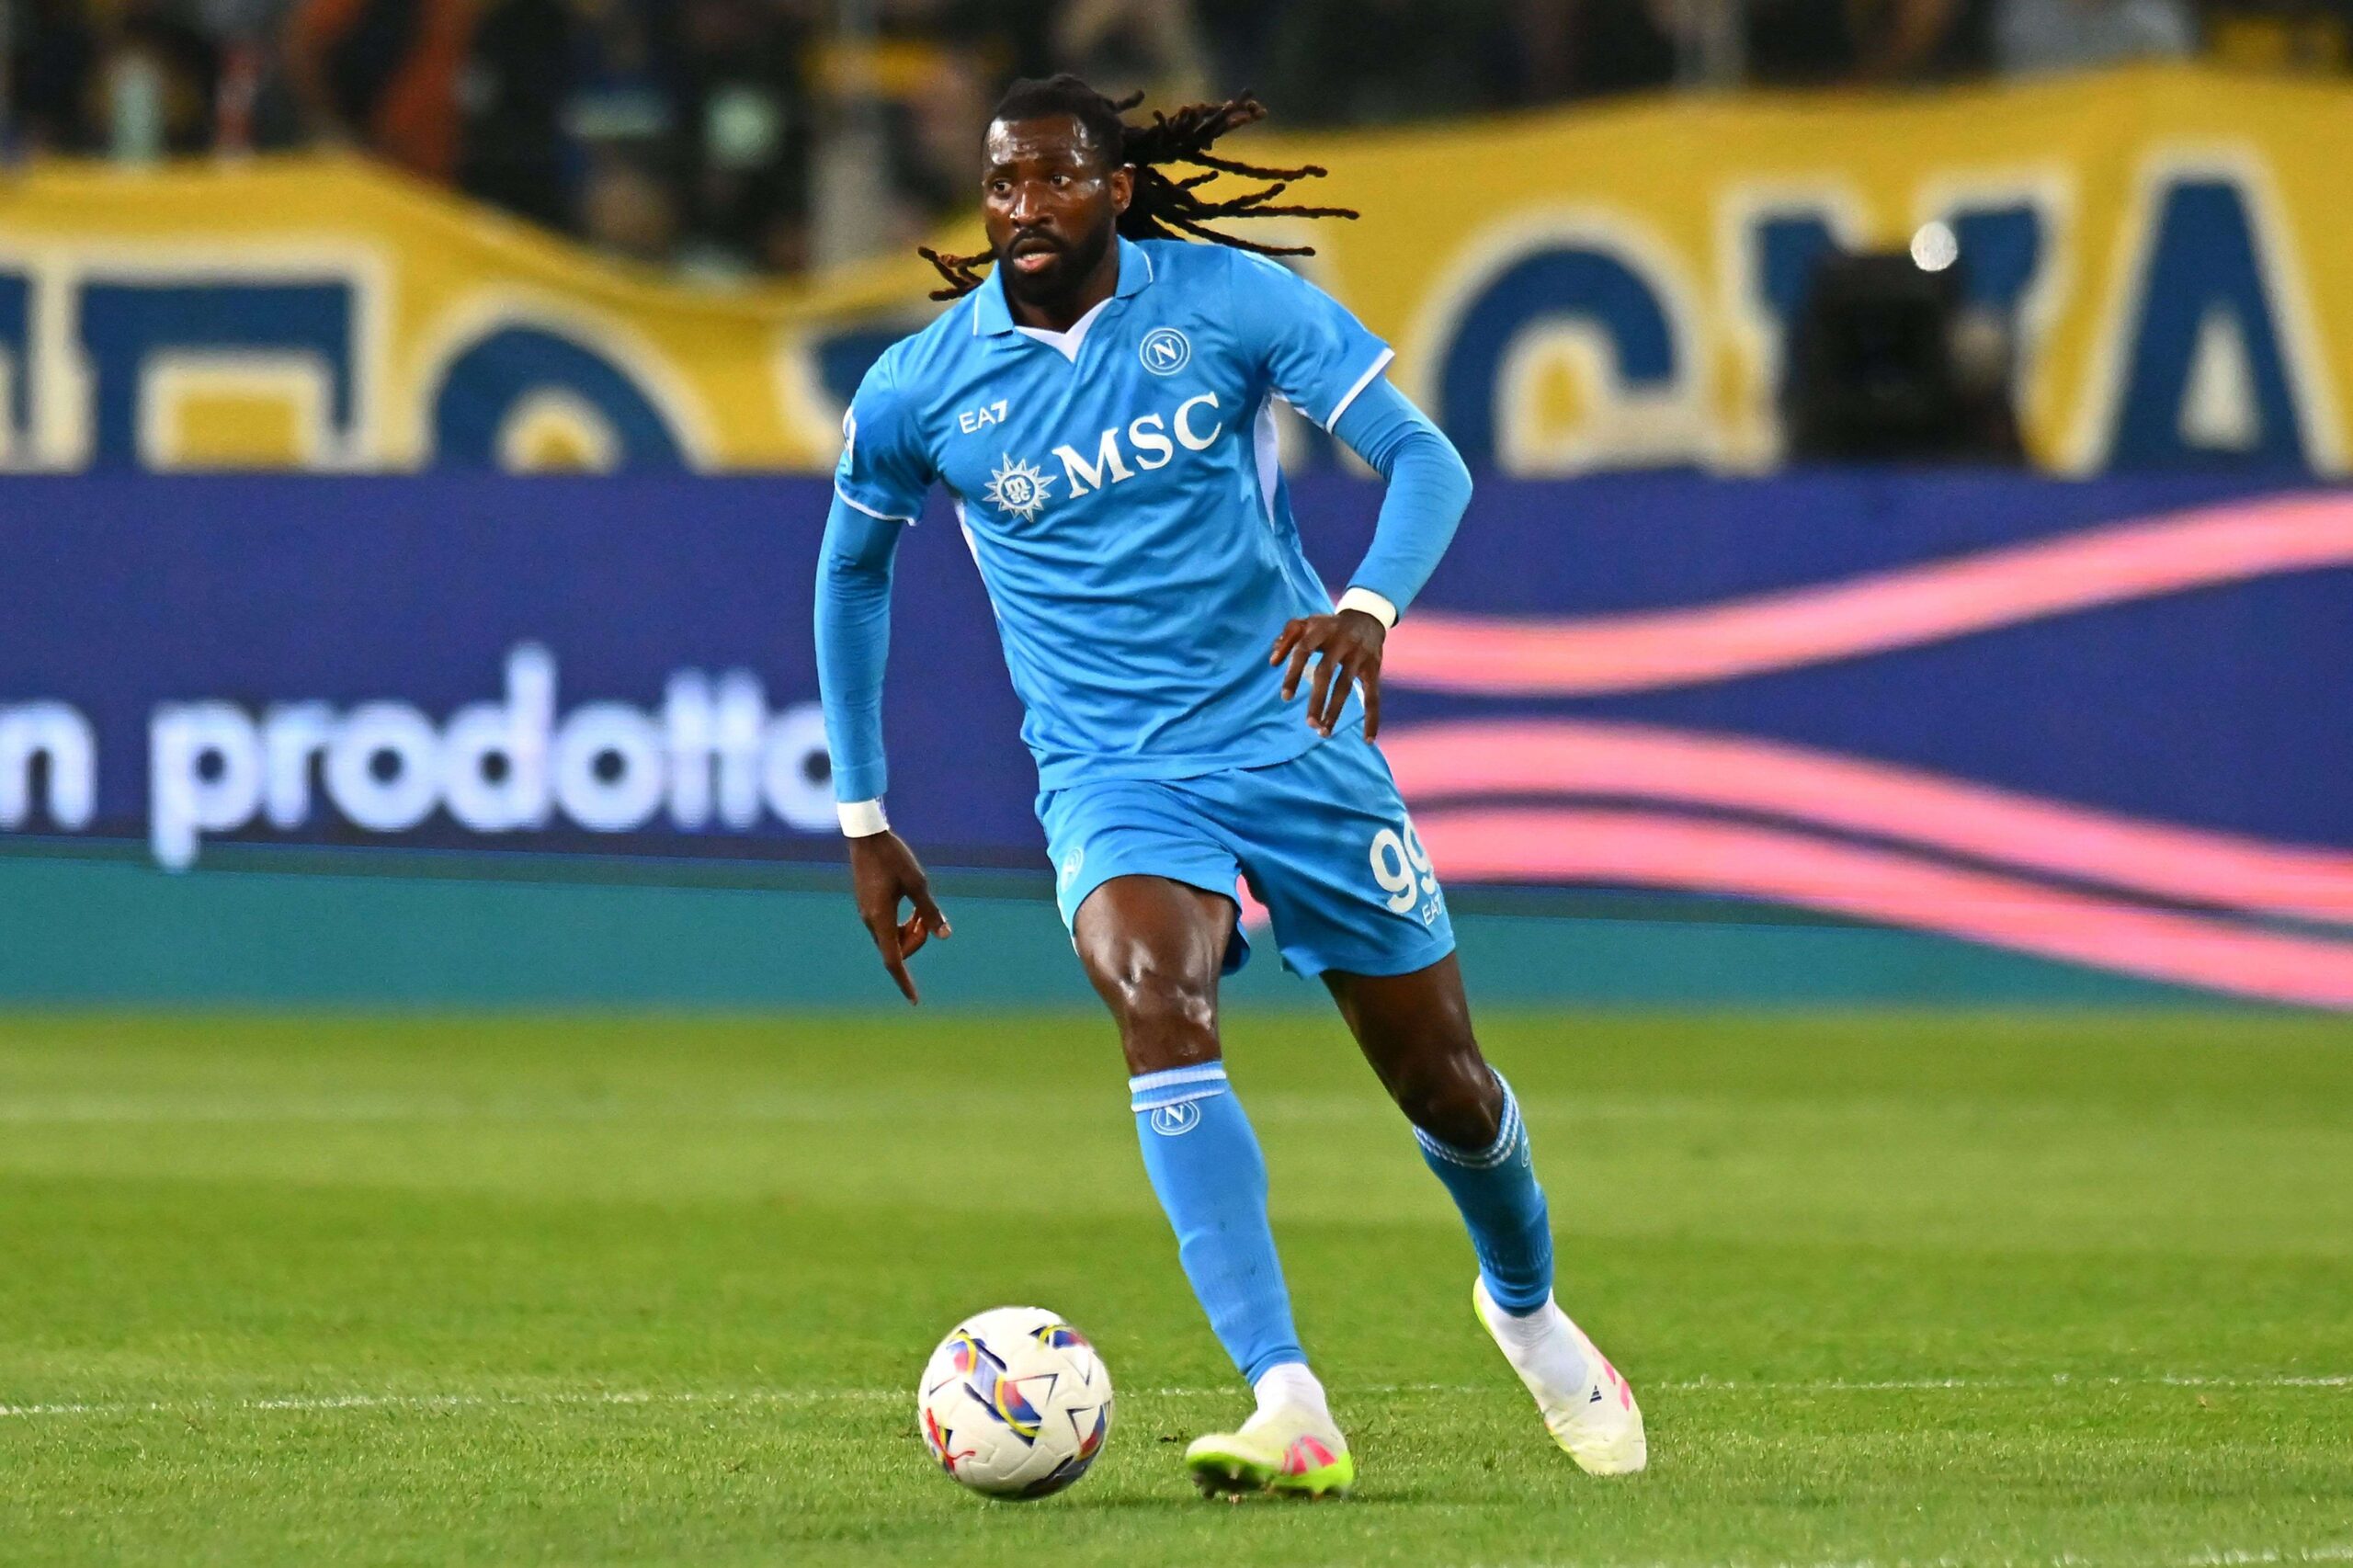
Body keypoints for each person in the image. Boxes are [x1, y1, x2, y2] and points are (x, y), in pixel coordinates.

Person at [813, 74, 1645, 1499]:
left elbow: (1422, 461)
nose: (1026, 208)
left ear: (1115, 188)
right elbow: (851, 572)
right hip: (1111, 765)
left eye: (1058, 179)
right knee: (1154, 986)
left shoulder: (1228, 307)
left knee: (1443, 1084)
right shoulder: (921, 385)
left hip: (1295, 735)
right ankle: (1288, 1394)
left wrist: (1370, 608)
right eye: (1004, 183)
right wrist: (865, 813)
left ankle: (1527, 1311)